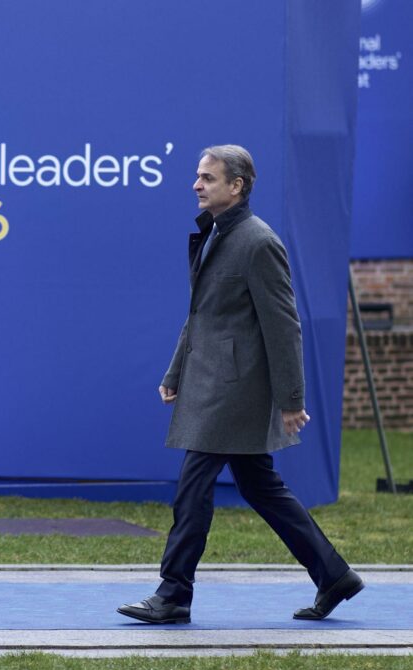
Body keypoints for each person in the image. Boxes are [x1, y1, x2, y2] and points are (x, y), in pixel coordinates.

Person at [117, 145, 362, 625]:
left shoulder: (258, 242)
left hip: (232, 391)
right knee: (261, 486)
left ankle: (173, 594)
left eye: (207, 177)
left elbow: (284, 326)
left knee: (193, 487)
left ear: (237, 186)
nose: (196, 184)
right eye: (198, 176)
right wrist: (175, 372)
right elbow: (202, 316)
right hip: (212, 383)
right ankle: (334, 575)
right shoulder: (215, 233)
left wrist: (291, 400)